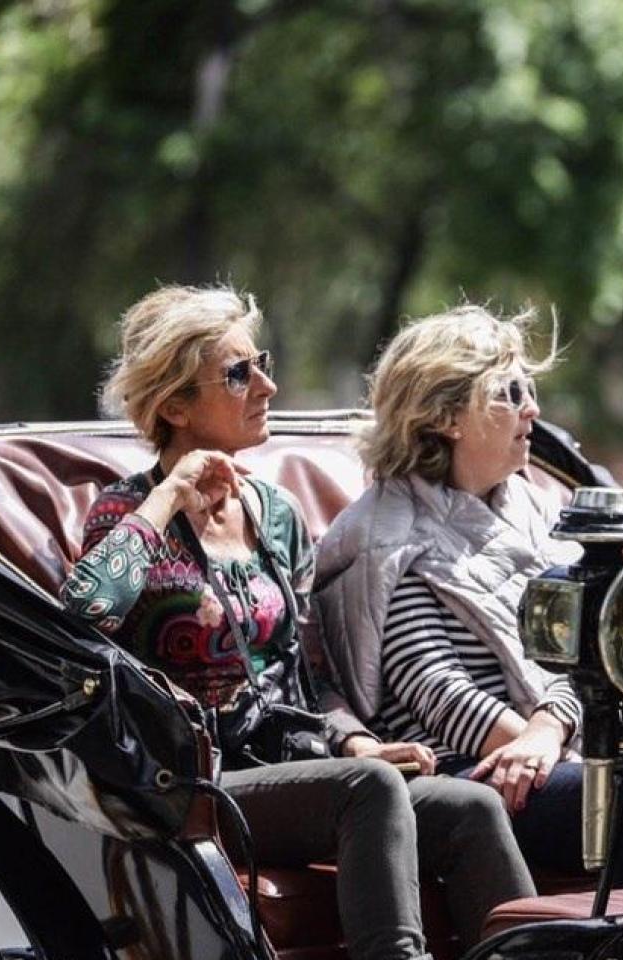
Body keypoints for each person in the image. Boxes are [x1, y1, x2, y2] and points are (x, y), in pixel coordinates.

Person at [60, 285, 534, 960]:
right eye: (238, 374)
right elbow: (85, 613)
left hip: (295, 765)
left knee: (469, 807)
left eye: (262, 362)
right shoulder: (128, 515)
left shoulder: (276, 514)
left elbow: (311, 676)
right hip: (191, 784)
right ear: (174, 406)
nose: (268, 385)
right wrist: (167, 498)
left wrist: (356, 743)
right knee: (366, 792)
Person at [312, 305, 623, 887]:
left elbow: (583, 654)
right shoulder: (380, 537)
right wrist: (538, 747)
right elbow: (435, 689)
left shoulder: (537, 510)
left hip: (548, 751)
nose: (533, 410)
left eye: (530, 389)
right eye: (509, 392)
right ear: (447, 416)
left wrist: (550, 731)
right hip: (462, 772)